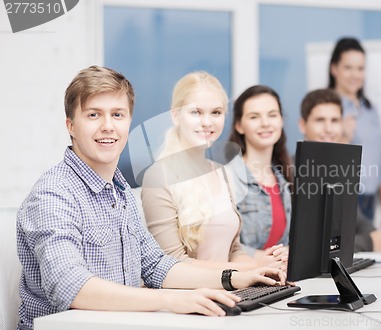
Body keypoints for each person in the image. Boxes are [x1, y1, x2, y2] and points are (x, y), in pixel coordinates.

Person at [16, 66, 286, 329]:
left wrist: (237, 278)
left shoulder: (118, 190)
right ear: (71, 125)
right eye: (94, 115)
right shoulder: (53, 193)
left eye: (118, 115)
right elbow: (69, 286)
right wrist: (171, 300)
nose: (108, 126)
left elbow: (157, 265)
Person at [141, 73, 286, 271]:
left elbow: (233, 251)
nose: (207, 122)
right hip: (189, 298)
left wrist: (267, 268)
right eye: (196, 112)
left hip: (229, 290)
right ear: (175, 116)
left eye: (216, 113)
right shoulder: (159, 176)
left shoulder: (220, 172)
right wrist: (250, 270)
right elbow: (172, 264)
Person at [299, 88, 381, 252]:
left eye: (335, 121)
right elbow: (311, 245)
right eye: (320, 120)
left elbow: (360, 224)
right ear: (303, 125)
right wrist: (370, 242)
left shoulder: (336, 172)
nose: (329, 129)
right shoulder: (292, 171)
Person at [328, 37, 381, 228]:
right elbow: (324, 161)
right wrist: (344, 136)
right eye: (348, 67)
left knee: (368, 255)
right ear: (334, 69)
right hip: (344, 198)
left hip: (370, 200)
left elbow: (378, 159)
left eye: (360, 68)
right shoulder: (329, 108)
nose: (355, 75)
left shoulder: (370, 109)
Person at [228, 85, 293, 259]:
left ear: (281, 120)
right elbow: (222, 247)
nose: (265, 123)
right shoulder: (227, 179)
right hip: (242, 280)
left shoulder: (284, 179)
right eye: (254, 117)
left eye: (272, 115)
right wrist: (265, 259)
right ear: (239, 126)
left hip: (278, 280)